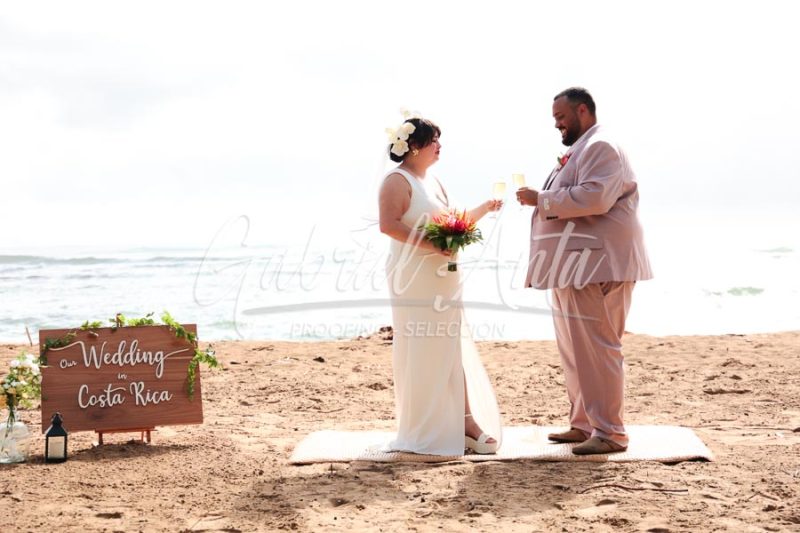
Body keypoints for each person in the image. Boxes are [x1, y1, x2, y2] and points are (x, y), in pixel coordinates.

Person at [516, 87, 652, 455]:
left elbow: (596, 197)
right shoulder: (584, 148)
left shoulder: (601, 146)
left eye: (561, 117)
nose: (556, 124)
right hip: (575, 268)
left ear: (582, 111)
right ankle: (584, 423)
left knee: (598, 349)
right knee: (576, 350)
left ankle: (610, 432)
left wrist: (541, 199)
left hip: (596, 266)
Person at [378, 116, 503, 455]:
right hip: (413, 277)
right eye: (434, 139)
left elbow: (453, 224)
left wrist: (485, 209)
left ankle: (463, 421)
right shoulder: (396, 180)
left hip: (444, 277)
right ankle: (432, 425)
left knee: (449, 346)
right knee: (423, 346)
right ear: (414, 146)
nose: (439, 145)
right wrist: (431, 245)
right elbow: (388, 224)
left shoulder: (433, 181)